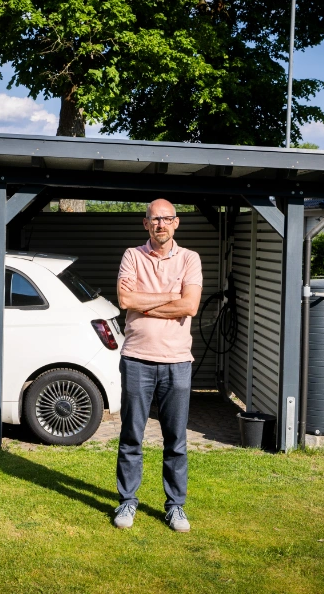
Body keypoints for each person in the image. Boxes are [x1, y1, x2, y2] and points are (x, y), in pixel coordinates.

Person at [112, 199, 202, 532]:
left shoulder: (189, 259)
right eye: (154, 219)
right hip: (136, 358)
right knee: (131, 435)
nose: (160, 224)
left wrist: (145, 303)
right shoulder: (132, 256)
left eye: (166, 219)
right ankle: (127, 501)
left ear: (176, 223)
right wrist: (170, 298)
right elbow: (125, 301)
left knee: (175, 440)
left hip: (177, 362)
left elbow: (190, 305)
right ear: (145, 223)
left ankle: (175, 506)